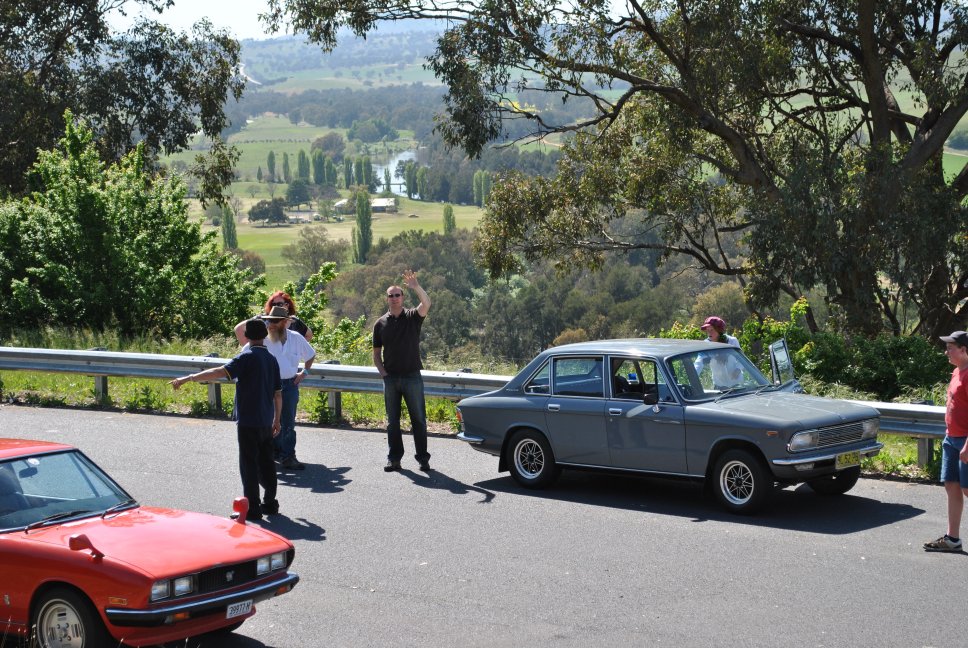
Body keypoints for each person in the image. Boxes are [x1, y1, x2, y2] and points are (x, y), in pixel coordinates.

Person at [170, 318, 281, 522]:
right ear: (265, 336)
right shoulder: (271, 359)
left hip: (248, 420)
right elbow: (278, 394)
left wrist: (189, 378)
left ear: (246, 337)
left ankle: (253, 508)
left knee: (248, 465)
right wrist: (277, 419)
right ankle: (270, 503)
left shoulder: (246, 356)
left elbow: (220, 372)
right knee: (267, 463)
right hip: (266, 420)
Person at [373, 270, 432, 472]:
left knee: (419, 420)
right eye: (391, 295)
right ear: (387, 299)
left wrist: (416, 286)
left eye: (398, 295)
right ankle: (394, 459)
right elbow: (376, 354)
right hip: (391, 379)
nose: (395, 298)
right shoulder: (380, 324)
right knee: (392, 422)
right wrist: (384, 374)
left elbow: (426, 304)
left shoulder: (412, 317)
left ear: (403, 297)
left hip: (412, 377)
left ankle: (423, 459)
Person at [249, 305, 317, 471]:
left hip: (289, 384)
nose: (271, 324)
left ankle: (288, 456)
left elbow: (310, 354)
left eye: (276, 321)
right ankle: (268, 455)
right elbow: (246, 354)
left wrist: (304, 372)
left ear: (285, 323)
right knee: (267, 421)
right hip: (268, 385)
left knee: (288, 422)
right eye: (270, 321)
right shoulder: (263, 338)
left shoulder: (296, 338)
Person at [924, 330, 968, 552]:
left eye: (951, 347)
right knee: (952, 485)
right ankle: (953, 539)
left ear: (964, 350)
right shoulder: (955, 373)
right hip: (951, 438)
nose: (946, 351)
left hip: (966, 441)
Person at [235, 291, 313, 344]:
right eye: (273, 304)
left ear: (287, 305)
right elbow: (238, 329)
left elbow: (309, 335)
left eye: (279, 304)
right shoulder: (263, 319)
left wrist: (296, 350)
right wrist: (249, 348)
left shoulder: (294, 322)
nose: (275, 307)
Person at [695, 316, 743, 389]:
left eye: (712, 330)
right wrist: (693, 376)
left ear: (719, 330)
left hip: (737, 384)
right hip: (719, 386)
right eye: (707, 330)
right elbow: (699, 362)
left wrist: (738, 369)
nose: (709, 333)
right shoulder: (705, 345)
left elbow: (741, 359)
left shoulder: (732, 341)